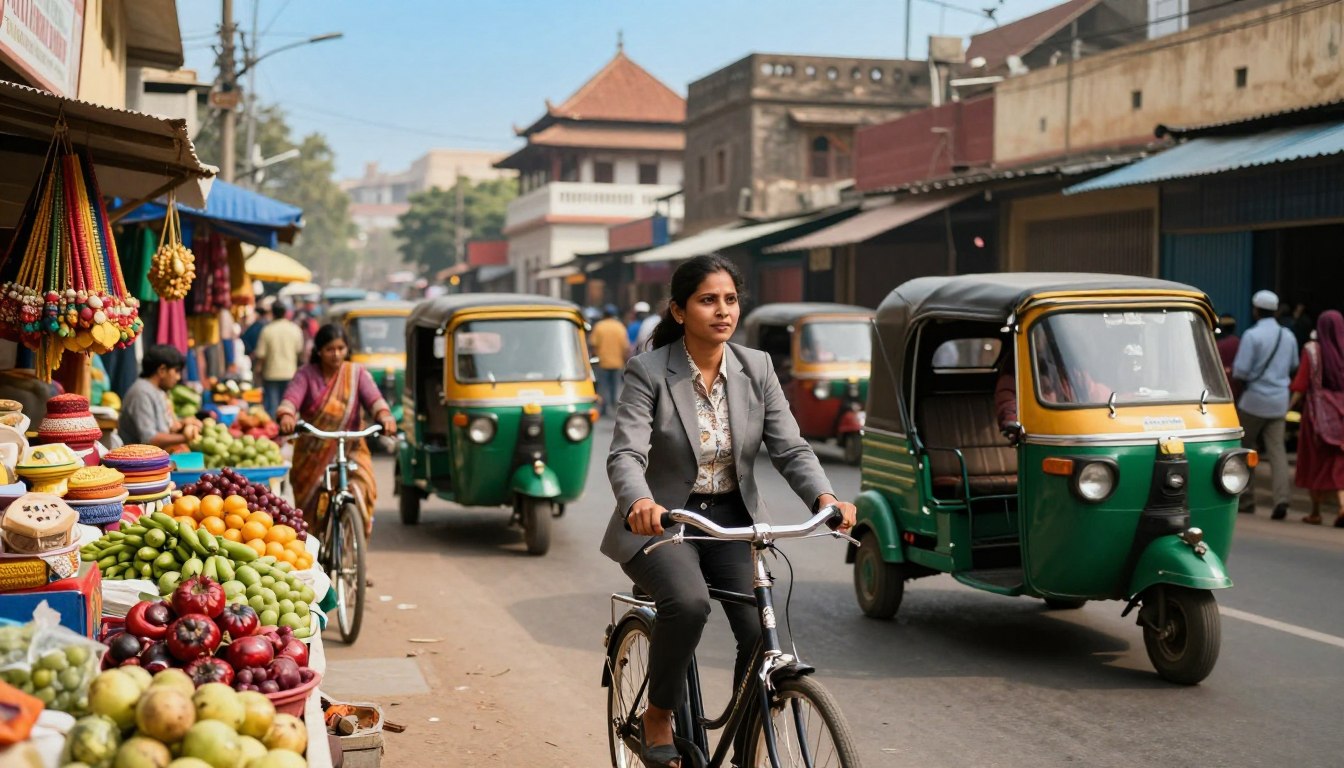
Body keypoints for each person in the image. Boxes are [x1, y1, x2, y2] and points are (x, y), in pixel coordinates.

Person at [602, 254, 856, 767]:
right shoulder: (648, 371)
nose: (723, 311)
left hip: (734, 520)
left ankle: (744, 752)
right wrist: (640, 503)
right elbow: (626, 453)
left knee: (760, 633)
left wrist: (825, 499)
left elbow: (791, 448)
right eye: (707, 300)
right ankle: (659, 714)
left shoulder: (756, 367)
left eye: (731, 299)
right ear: (678, 310)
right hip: (666, 521)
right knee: (689, 603)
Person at [276, 324, 397, 536]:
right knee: (310, 511)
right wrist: (287, 415)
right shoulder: (306, 374)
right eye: (330, 349)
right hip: (312, 450)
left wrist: (385, 416)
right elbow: (291, 399)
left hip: (351, 446)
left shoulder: (356, 373)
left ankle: (353, 541)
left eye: (341, 348)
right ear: (319, 351)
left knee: (363, 487)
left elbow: (374, 399)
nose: (336, 354)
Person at [1231, 289, 1298, 518]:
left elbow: (1240, 370)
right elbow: (1293, 365)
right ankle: (1282, 499)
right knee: (1277, 451)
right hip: (1279, 401)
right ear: (1276, 311)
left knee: (1244, 449)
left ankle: (1247, 498)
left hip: (1254, 402)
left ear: (1256, 310)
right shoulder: (1287, 336)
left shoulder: (1252, 335)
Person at [1289, 310, 1344, 527]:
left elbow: (1301, 386)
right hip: (1341, 417)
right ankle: (1341, 505)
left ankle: (1316, 512)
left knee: (1314, 462)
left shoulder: (1312, 351)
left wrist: (1289, 407)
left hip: (1317, 418)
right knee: (1338, 462)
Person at [118, 345, 202, 449]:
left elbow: (164, 429)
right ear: (162, 370)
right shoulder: (141, 393)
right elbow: (150, 439)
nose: (178, 377)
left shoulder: (158, 391)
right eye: (176, 371)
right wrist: (185, 437)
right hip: (139, 462)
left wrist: (182, 424)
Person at [254, 304, 305, 417]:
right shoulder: (294, 329)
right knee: (289, 407)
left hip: (271, 374)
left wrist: (257, 373)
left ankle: (273, 432)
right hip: (290, 373)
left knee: (272, 409)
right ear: (285, 313)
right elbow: (300, 351)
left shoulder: (267, 330)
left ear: (273, 313)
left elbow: (261, 355)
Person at [590, 303, 629, 417]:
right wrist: (625, 360)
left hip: (602, 362)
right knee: (615, 386)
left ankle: (604, 407)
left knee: (603, 386)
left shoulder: (599, 326)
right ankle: (613, 406)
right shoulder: (620, 327)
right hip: (617, 363)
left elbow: (593, 344)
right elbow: (625, 346)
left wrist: (594, 356)